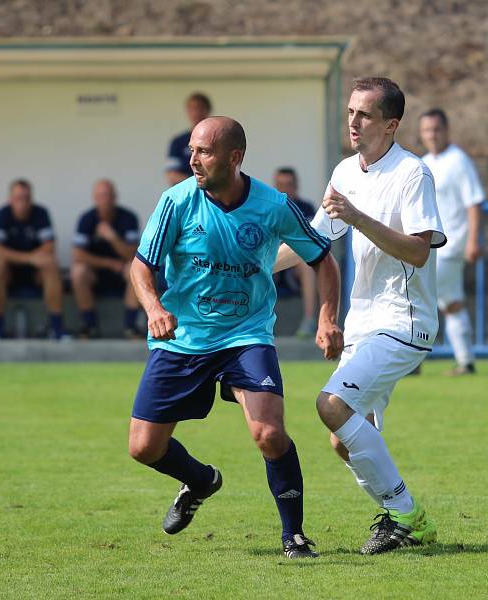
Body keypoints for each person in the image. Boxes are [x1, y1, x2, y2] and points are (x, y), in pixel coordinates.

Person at [128, 116, 343, 559]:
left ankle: (294, 535)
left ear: (234, 157)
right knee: (144, 448)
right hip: (183, 338)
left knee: (268, 433)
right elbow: (141, 266)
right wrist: (154, 308)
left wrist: (327, 318)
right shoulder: (177, 201)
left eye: (203, 152)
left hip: (246, 334)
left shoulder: (272, 205)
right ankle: (201, 480)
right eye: (192, 150)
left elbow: (322, 258)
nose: (193, 160)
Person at [275, 77, 446, 555]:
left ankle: (407, 515)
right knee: (342, 440)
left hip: (404, 321)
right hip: (365, 323)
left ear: (391, 125)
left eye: (365, 114)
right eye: (351, 111)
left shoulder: (413, 174)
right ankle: (404, 518)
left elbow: (417, 252)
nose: (353, 121)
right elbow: (314, 239)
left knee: (331, 406)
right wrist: (250, 267)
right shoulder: (346, 171)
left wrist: (356, 217)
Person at [420, 108, 485, 375]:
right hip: (433, 245)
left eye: (436, 129)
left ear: (446, 131)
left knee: (420, 299)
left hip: (450, 244)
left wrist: (473, 240)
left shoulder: (459, 161)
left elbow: (474, 202)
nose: (432, 135)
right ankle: (466, 361)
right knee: (452, 303)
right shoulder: (423, 162)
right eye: (427, 130)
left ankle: (412, 359)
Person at [0, 179, 65, 339]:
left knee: (50, 263)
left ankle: (56, 328)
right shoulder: (3, 214)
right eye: (18, 198)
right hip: (10, 271)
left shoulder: (40, 213)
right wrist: (28, 258)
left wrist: (32, 260)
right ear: (10, 199)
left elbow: (49, 246)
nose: (22, 203)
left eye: (26, 198)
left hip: (36, 272)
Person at [71, 179, 142, 339]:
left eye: (109, 195)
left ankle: (131, 326)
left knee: (135, 268)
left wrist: (112, 237)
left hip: (122, 272)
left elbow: (133, 254)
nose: (106, 200)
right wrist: (108, 263)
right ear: (95, 198)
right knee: (78, 271)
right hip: (96, 274)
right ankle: (89, 325)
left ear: (115, 197)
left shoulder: (128, 218)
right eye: (101, 196)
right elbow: (78, 254)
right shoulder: (87, 219)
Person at [273, 167, 318, 338]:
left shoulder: (306, 208)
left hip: (294, 266)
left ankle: (309, 320)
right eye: (280, 185)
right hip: (271, 260)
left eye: (288, 185)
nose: (284, 189)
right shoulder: (266, 206)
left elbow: (312, 241)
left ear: (296, 186)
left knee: (306, 263)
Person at [164, 92, 212, 186]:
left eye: (199, 108)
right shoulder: (178, 142)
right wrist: (199, 182)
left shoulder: (216, 139)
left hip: (213, 195)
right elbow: (172, 175)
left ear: (207, 110)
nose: (196, 113)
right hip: (187, 194)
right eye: (192, 109)